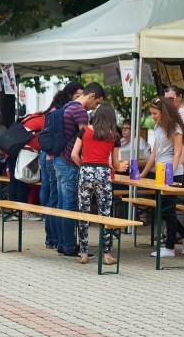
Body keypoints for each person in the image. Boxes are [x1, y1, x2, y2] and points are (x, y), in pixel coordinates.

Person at [140, 97, 184, 258]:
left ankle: (169, 247)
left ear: (164, 112)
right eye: (151, 113)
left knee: (168, 210)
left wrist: (169, 173)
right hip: (160, 172)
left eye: (155, 113)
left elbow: (178, 153)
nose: (153, 117)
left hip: (173, 173)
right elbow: (154, 153)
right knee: (163, 210)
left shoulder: (176, 128)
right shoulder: (158, 127)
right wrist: (142, 174)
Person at [54, 81, 105, 258]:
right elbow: (86, 138)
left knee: (61, 204)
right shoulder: (80, 111)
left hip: (59, 160)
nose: (95, 106)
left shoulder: (67, 106)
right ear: (91, 96)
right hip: (70, 162)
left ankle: (62, 243)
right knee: (69, 205)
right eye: (97, 102)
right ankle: (69, 246)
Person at [71, 103, 124, 265]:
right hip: (103, 173)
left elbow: (74, 154)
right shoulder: (114, 136)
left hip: (86, 171)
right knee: (105, 214)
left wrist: (85, 167)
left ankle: (84, 253)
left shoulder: (84, 131)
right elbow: (115, 164)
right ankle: (106, 255)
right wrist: (121, 166)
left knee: (84, 213)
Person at [39, 81, 84, 249]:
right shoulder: (68, 111)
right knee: (59, 199)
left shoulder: (54, 110)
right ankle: (59, 240)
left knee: (54, 197)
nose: (80, 99)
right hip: (57, 157)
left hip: (49, 155)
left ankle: (54, 239)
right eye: (78, 96)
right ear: (70, 95)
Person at [164, 86, 184, 170]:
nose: (168, 102)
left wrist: (181, 163)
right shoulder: (176, 112)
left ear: (180, 97)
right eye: (165, 99)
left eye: (171, 99)